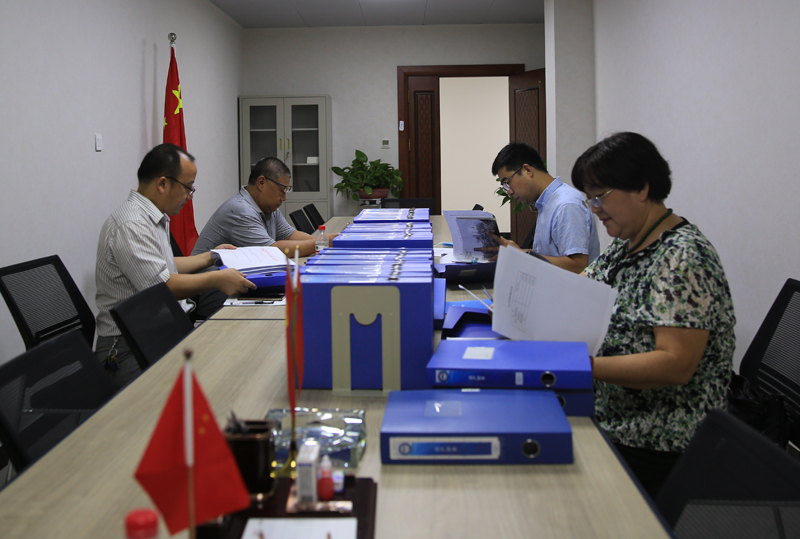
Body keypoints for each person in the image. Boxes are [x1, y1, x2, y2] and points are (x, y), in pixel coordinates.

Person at [572, 132, 736, 498]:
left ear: (642, 188)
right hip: (610, 413)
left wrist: (579, 365)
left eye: (600, 196)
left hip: (656, 439)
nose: (594, 208)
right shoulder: (628, 244)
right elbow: (579, 288)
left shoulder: (682, 257)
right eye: (589, 199)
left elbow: (675, 364)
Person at [95, 143, 256, 388]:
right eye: (188, 188)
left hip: (161, 331)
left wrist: (212, 257)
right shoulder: (131, 224)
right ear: (163, 184)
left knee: (234, 358)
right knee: (219, 382)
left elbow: (165, 265)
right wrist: (217, 279)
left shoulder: (153, 216)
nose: (190, 196)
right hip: (129, 347)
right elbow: (163, 287)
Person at [489, 142, 600, 273]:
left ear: (527, 170)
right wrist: (518, 252)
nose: (509, 192)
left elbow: (578, 266)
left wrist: (523, 256)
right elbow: (551, 256)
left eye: (507, 183)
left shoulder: (566, 204)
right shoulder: (548, 203)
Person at [191, 157, 333, 257]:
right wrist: (324, 242)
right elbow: (272, 251)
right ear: (261, 183)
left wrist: (324, 241)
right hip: (211, 285)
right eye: (281, 191)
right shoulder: (241, 211)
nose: (284, 198)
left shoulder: (269, 207)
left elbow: (290, 235)